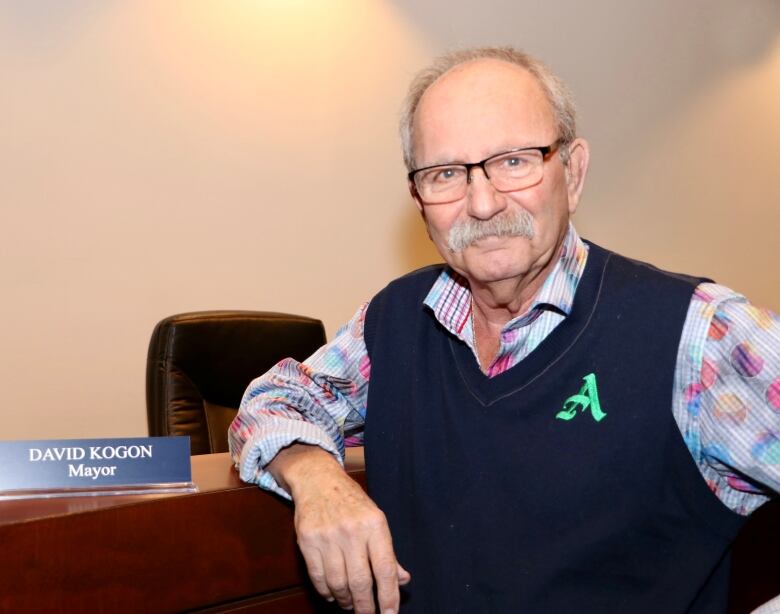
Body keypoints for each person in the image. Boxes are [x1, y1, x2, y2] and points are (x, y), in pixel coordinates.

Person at [229, 47, 780, 613]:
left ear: (573, 171)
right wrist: (316, 477)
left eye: (514, 161)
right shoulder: (394, 321)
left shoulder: (697, 333)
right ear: (419, 200)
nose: (484, 202)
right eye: (446, 173)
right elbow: (273, 400)